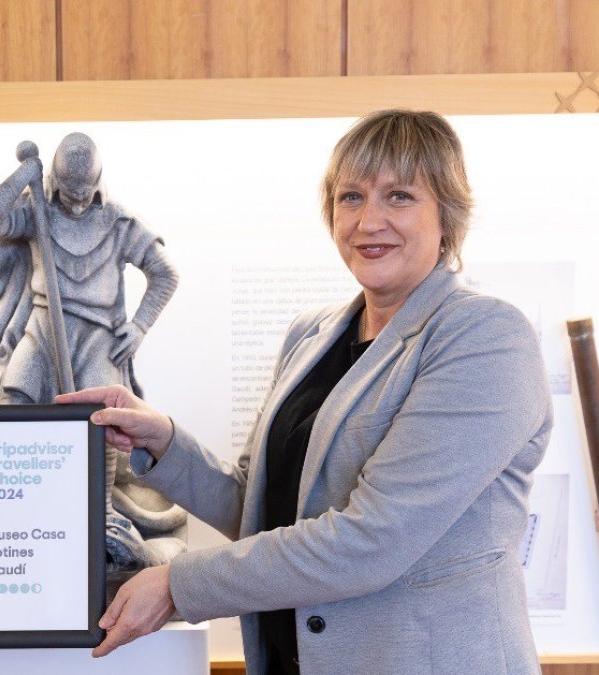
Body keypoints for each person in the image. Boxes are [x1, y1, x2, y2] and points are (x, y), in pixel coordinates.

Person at [60, 110, 553, 675]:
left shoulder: (485, 337)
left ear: (448, 213)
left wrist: (178, 585)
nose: (369, 221)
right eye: (350, 197)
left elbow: (373, 540)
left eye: (399, 196)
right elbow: (263, 510)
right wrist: (165, 443)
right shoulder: (311, 335)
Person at [0, 132, 187, 573]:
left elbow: (165, 273)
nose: (75, 203)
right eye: (68, 192)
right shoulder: (36, 211)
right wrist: (23, 175)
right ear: (53, 179)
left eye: (84, 192)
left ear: (98, 181)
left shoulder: (120, 222)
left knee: (103, 422)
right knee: (16, 401)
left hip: (97, 335)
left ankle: (100, 512)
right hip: (43, 327)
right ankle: (22, 508)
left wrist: (139, 327)